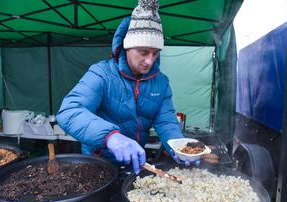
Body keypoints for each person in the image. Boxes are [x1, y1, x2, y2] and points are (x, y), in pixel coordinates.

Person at [56, 0, 197, 174]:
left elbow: (166, 121)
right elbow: (69, 111)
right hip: (97, 163)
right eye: (144, 52)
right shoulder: (102, 73)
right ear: (127, 46)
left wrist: (179, 146)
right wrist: (110, 137)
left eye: (155, 53)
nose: (150, 61)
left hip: (135, 161)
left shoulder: (161, 82)